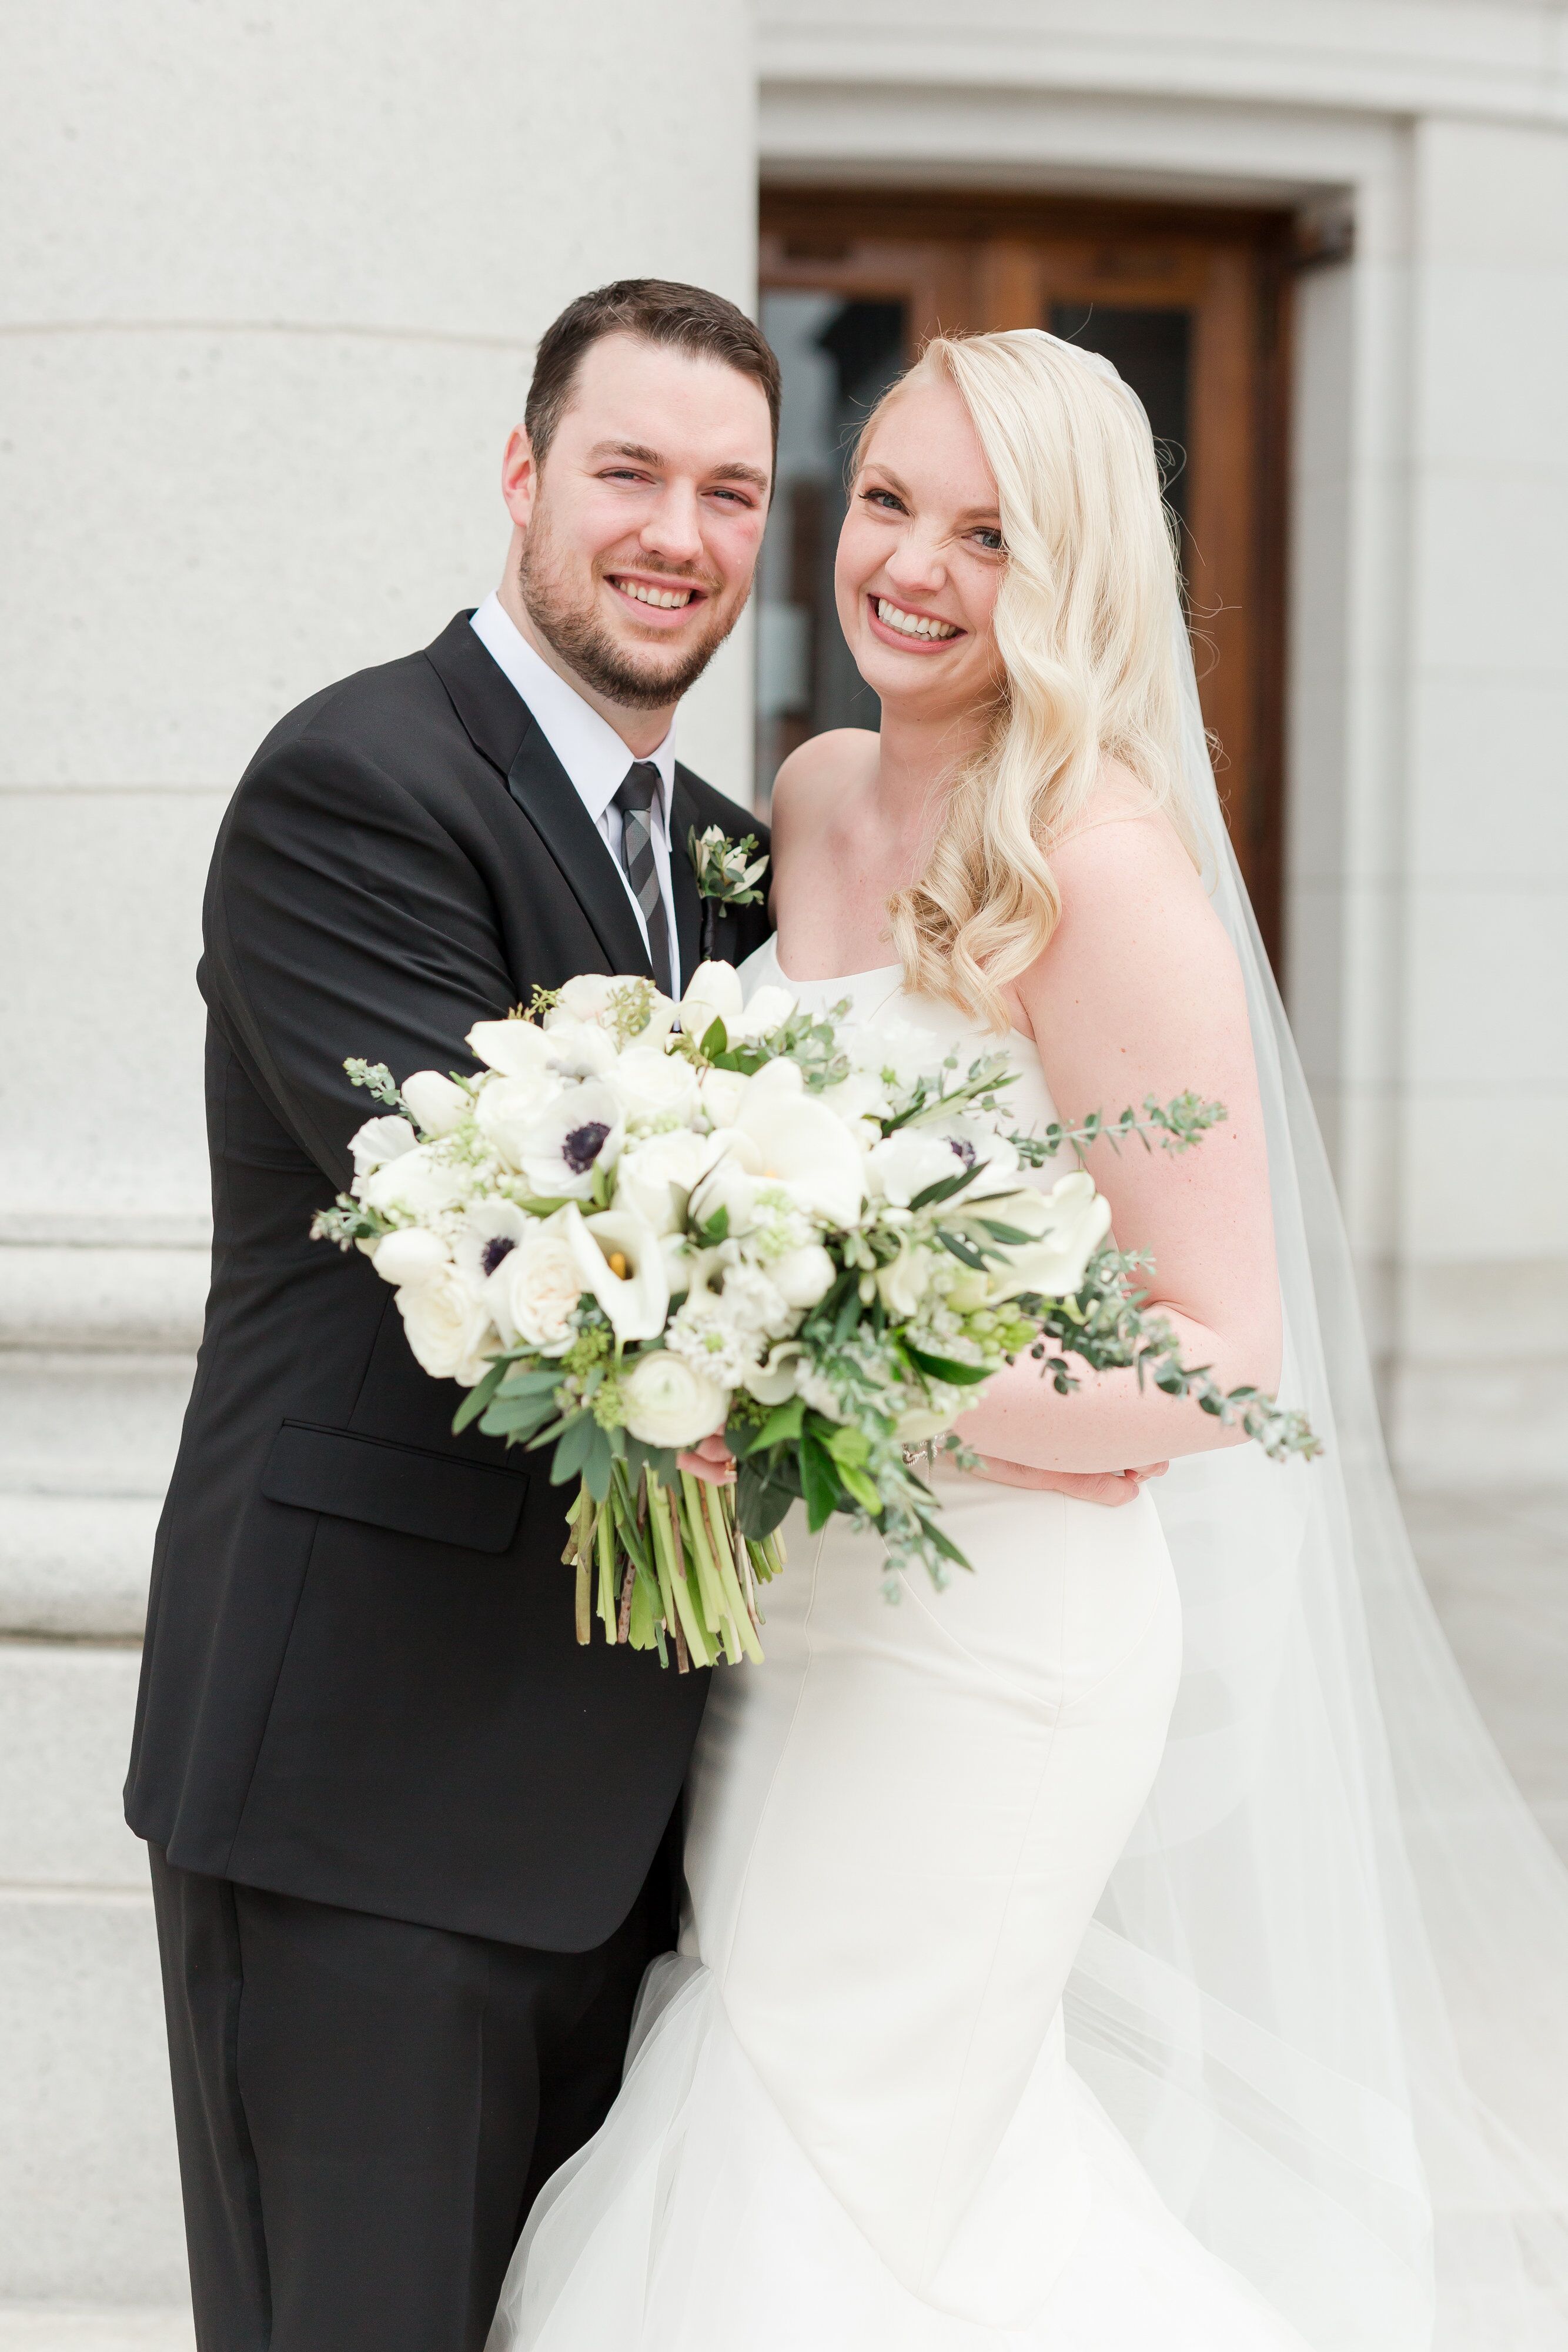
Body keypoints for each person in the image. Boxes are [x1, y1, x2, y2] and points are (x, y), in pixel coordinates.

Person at [491, 333, 1568, 2348]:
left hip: (994, 1645)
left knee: (837, 2134)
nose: (910, 565)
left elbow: (1220, 1353)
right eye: (887, 500)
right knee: (791, 2098)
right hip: (794, 1628)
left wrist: (817, 1382)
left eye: (988, 535)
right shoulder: (809, 798)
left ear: (1069, 575)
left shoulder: (1097, 860)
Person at [125, 278, 785, 2352]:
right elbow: (507, 1229)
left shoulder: (733, 860)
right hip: (370, 1790)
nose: (676, 531)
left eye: (729, 492)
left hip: (631, 1816)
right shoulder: (358, 784)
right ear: (521, 476)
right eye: (628, 472)